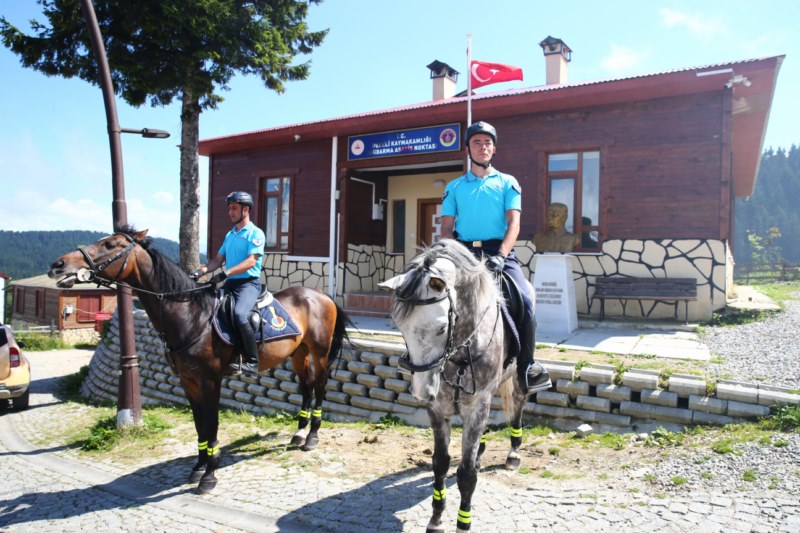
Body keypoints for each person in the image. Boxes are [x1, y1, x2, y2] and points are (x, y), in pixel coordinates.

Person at [440, 121, 551, 394]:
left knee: (524, 298)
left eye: (487, 142)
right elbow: (446, 227)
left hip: (498, 253)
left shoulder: (507, 183)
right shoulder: (454, 187)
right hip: (463, 252)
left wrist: (501, 255)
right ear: (468, 149)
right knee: (429, 293)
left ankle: (528, 367)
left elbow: (513, 224)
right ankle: (420, 359)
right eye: (476, 142)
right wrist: (455, 253)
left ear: (494, 148)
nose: (482, 147)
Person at [192, 191, 266, 376]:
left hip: (248, 284)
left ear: (246, 209)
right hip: (231, 283)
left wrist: (225, 274)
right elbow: (217, 260)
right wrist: (200, 272)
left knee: (240, 314)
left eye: (234, 208)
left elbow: (251, 261)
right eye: (229, 208)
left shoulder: (255, 234)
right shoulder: (230, 234)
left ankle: (252, 362)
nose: (230, 212)